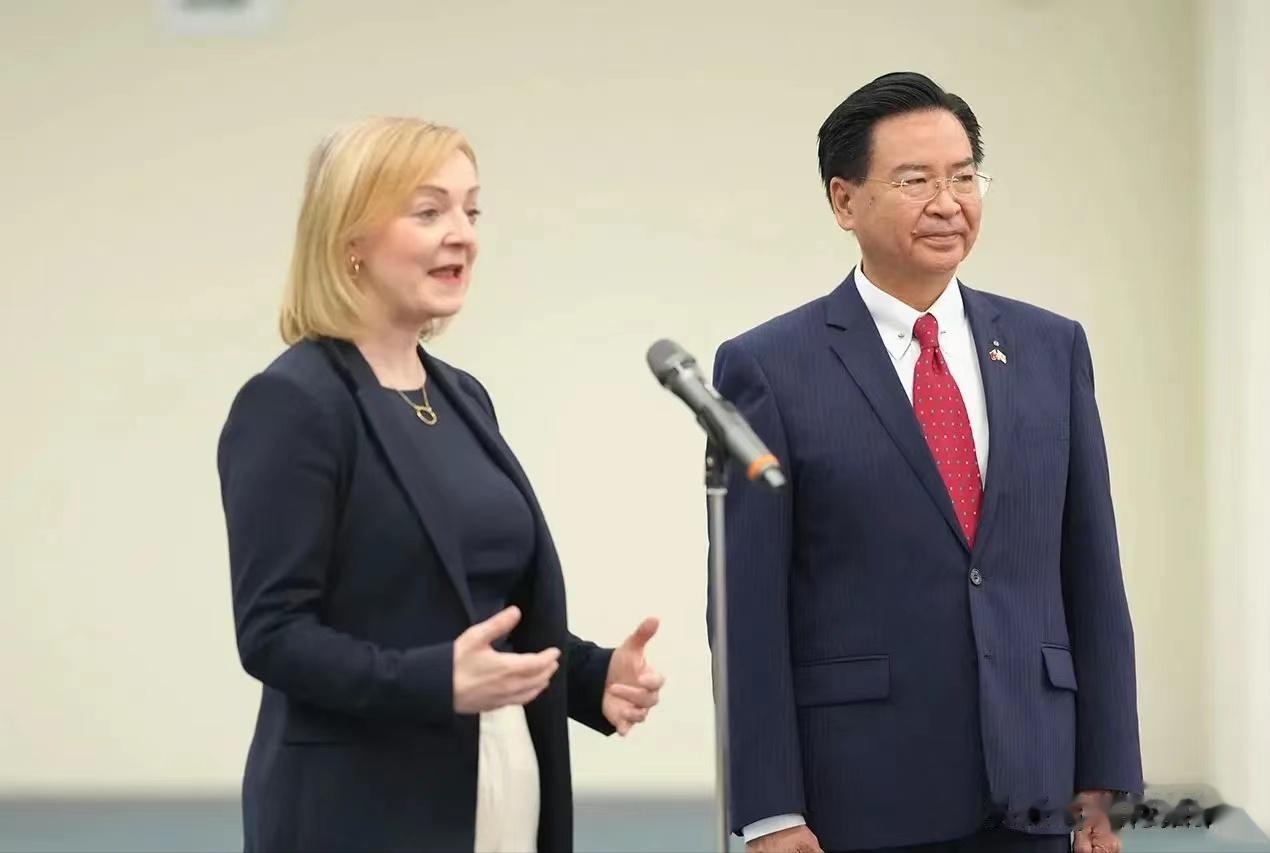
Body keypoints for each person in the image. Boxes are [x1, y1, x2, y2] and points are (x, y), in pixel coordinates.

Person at [713, 72, 1141, 853]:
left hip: (1037, 793)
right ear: (845, 201)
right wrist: (770, 809)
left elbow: (1092, 575)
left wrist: (1104, 781)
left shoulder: (1051, 349)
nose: (948, 203)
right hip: (861, 799)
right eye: (916, 181)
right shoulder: (770, 367)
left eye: (964, 177)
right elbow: (746, 608)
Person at [217, 117, 664, 853]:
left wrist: (592, 677)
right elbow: (273, 635)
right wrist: (433, 681)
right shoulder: (293, 403)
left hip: (503, 775)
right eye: (429, 212)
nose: (462, 235)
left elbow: (483, 608)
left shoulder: (461, 396)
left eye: (471, 211)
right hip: (359, 806)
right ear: (350, 239)